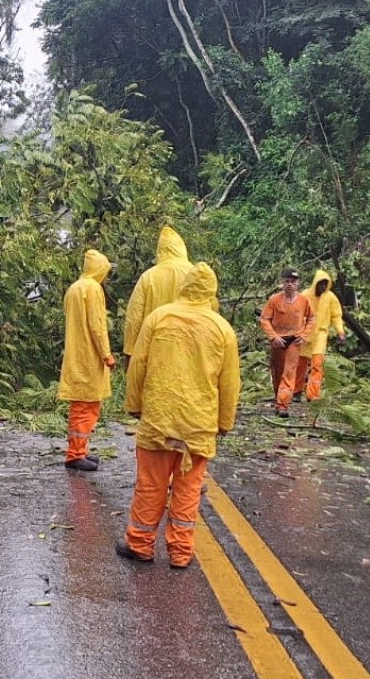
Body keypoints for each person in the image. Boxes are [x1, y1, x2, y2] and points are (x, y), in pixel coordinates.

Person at [117, 262, 240, 568]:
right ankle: (181, 553)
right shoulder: (222, 328)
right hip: (198, 425)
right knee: (187, 491)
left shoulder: (159, 318)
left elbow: (138, 366)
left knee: (150, 485)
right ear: (212, 292)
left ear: (184, 286)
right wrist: (224, 422)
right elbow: (230, 383)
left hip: (159, 420)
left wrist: (134, 404)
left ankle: (141, 545)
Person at [58, 249, 117, 472]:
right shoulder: (92, 289)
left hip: (76, 356)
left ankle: (79, 450)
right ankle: (75, 454)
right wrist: (106, 355)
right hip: (89, 357)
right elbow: (97, 325)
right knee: (86, 406)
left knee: (80, 405)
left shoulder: (75, 288)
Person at [123, 226, 192, 363]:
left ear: (160, 251)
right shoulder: (195, 274)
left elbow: (134, 317)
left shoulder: (148, 277)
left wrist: (129, 352)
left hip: (153, 348)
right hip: (189, 347)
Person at [259, 268, 315, 415]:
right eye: (287, 281)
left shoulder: (303, 301)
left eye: (293, 281)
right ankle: (278, 397)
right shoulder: (274, 300)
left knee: (289, 372)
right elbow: (265, 319)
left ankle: (283, 404)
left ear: (298, 284)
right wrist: (273, 336)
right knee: (277, 371)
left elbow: (311, 319)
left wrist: (304, 335)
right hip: (278, 340)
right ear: (282, 283)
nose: (290, 284)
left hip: (294, 341)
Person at [299, 269, 346, 402]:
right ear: (315, 283)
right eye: (321, 283)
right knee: (301, 365)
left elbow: (336, 316)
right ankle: (297, 391)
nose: (323, 287)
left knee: (317, 364)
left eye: (326, 284)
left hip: (320, 334)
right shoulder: (305, 295)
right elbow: (297, 314)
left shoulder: (330, 297)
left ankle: (312, 394)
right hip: (305, 334)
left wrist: (340, 332)